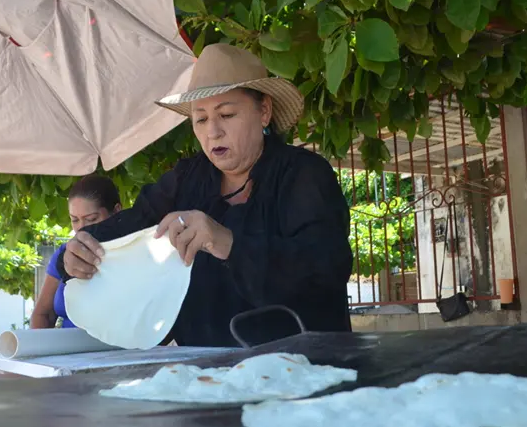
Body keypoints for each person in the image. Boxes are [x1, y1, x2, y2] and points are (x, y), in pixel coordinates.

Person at [57, 43, 353, 347]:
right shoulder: (186, 180)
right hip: (202, 367)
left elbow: (326, 268)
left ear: (264, 111)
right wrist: (77, 252)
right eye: (200, 119)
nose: (213, 132)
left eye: (227, 114)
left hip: (302, 363)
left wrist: (226, 243)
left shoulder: (303, 174)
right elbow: (131, 226)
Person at [30, 175, 121, 329]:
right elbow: (43, 314)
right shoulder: (64, 254)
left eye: (91, 219)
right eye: (75, 220)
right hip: (67, 344)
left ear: (117, 211)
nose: (82, 228)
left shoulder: (135, 252)